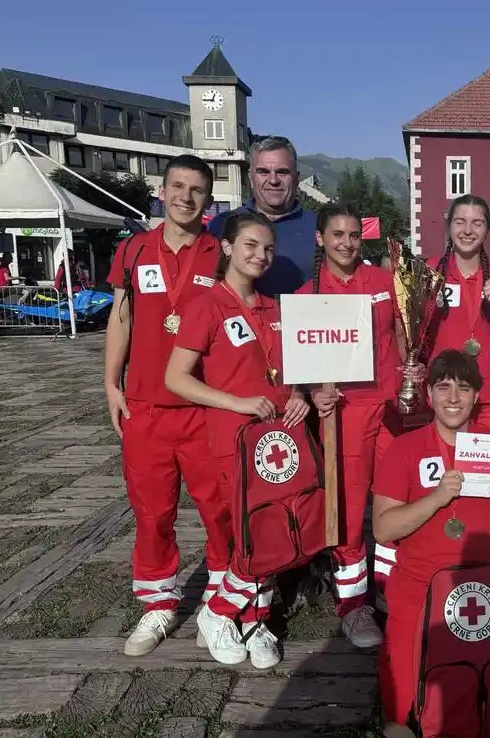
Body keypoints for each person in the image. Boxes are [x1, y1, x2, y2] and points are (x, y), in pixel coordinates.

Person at [372, 349, 490, 732]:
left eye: (464, 388)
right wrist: (437, 498)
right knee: (401, 717)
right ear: (428, 394)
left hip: (483, 587)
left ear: (477, 396)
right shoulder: (404, 448)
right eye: (443, 387)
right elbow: (383, 530)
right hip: (419, 590)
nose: (453, 398)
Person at [163, 211, 310, 668]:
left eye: (267, 248)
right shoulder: (205, 306)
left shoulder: (276, 307)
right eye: (250, 245)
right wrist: (237, 402)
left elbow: (291, 370)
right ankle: (223, 613)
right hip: (234, 440)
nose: (260, 255)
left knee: (273, 529)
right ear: (226, 247)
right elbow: (176, 379)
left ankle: (256, 620)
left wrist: (301, 393)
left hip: (279, 445)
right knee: (247, 534)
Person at [104, 154, 233, 657]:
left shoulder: (220, 254)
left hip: (202, 409)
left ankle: (224, 600)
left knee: (218, 509)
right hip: (146, 409)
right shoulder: (134, 251)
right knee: (152, 512)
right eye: (177, 187)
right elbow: (121, 320)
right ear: (161, 191)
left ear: (208, 199)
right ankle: (158, 605)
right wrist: (110, 384)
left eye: (196, 189)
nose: (186, 197)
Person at [298, 203, 423, 648]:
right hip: (345, 414)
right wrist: (314, 391)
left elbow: (407, 335)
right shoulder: (306, 294)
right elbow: (300, 363)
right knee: (348, 511)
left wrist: (413, 367)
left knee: (395, 502)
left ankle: (393, 592)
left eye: (354, 234)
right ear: (320, 240)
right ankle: (353, 605)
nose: (347, 243)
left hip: (391, 410)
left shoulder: (386, 282)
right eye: (337, 235)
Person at [427, 195, 490, 435]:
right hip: (447, 392)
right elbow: (411, 332)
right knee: (450, 469)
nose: (467, 230)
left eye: (477, 223)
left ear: (487, 230)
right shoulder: (429, 274)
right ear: (449, 226)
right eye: (460, 222)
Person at [207, 137, 317, 297]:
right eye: (263, 172)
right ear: (251, 178)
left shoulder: (320, 227)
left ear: (296, 178)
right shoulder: (222, 224)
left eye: (282, 172)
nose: (273, 180)